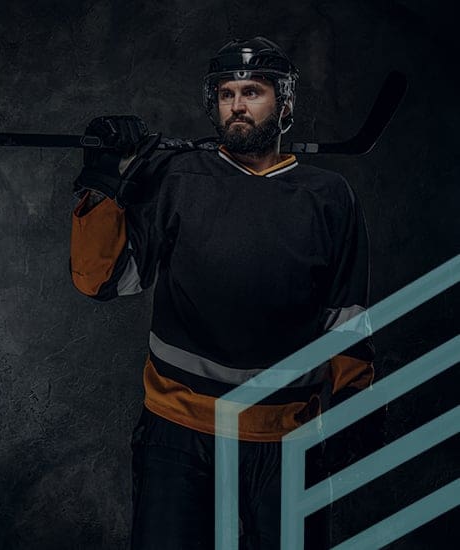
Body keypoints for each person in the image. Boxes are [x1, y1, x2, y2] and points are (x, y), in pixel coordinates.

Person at [69, 36, 375, 550]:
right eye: (227, 93)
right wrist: (103, 179)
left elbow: (345, 315)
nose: (237, 104)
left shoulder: (328, 196)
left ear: (285, 104)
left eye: (252, 91)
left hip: (285, 439)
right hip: (178, 432)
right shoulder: (178, 177)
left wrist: (357, 402)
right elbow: (100, 279)